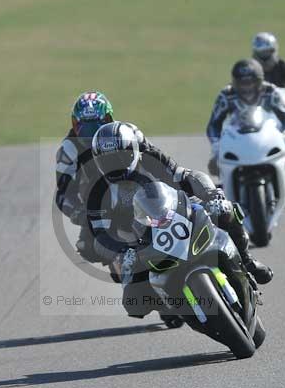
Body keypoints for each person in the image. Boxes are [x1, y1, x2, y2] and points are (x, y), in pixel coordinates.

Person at [85, 121, 273, 319]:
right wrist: (121, 251)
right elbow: (99, 235)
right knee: (133, 304)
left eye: (121, 157)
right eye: (109, 161)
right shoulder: (96, 191)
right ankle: (166, 302)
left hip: (175, 212)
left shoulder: (150, 158)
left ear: (134, 150)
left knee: (226, 211)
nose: (116, 165)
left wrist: (212, 194)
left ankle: (247, 261)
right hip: (137, 239)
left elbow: (187, 176)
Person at [205, 58, 285, 177]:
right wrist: (216, 145)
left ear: (259, 81)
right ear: (235, 82)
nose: (247, 88)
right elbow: (213, 124)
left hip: (267, 136)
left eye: (250, 83)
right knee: (216, 164)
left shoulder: (271, 91)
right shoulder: (226, 95)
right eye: (242, 83)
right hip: (237, 138)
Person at [55, 91, 115, 261]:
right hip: (97, 207)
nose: (91, 134)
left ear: (109, 120)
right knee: (88, 248)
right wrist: (79, 213)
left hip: (133, 193)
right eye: (84, 127)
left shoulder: (122, 133)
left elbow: (150, 159)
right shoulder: (69, 149)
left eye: (97, 126)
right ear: (74, 125)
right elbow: (63, 194)